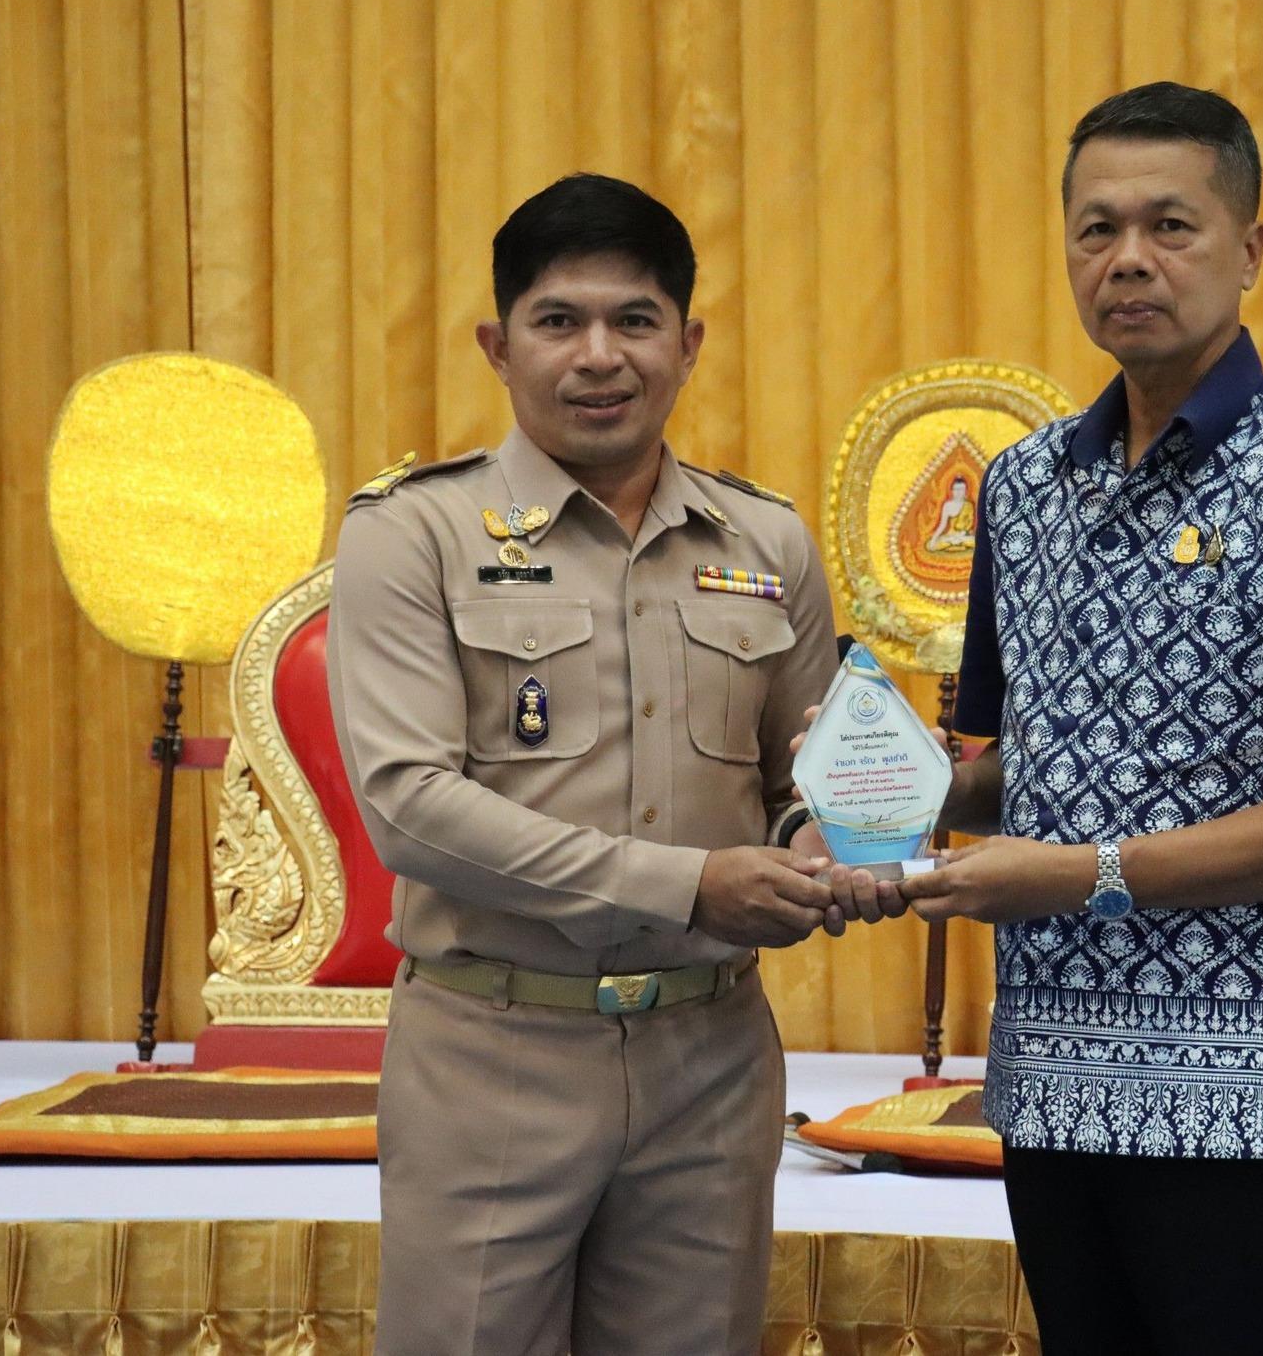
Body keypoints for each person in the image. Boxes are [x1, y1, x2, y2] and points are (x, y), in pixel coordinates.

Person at [896, 83, 1263, 1354]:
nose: (1127, 259)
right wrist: (886, 786)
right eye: (1096, 229)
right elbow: (1018, 770)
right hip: (1048, 1092)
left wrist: (1076, 877)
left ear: (1248, 251)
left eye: (1168, 225)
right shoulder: (1022, 488)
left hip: (1241, 1110)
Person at [327, 173, 865, 1355]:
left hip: (709, 1059)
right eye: (557, 321)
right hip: (491, 1053)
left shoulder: (765, 541)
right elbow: (410, 809)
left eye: (634, 320)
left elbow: (800, 786)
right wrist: (690, 884)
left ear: (688, 344)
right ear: (497, 346)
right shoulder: (412, 533)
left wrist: (826, 847)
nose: (598, 356)